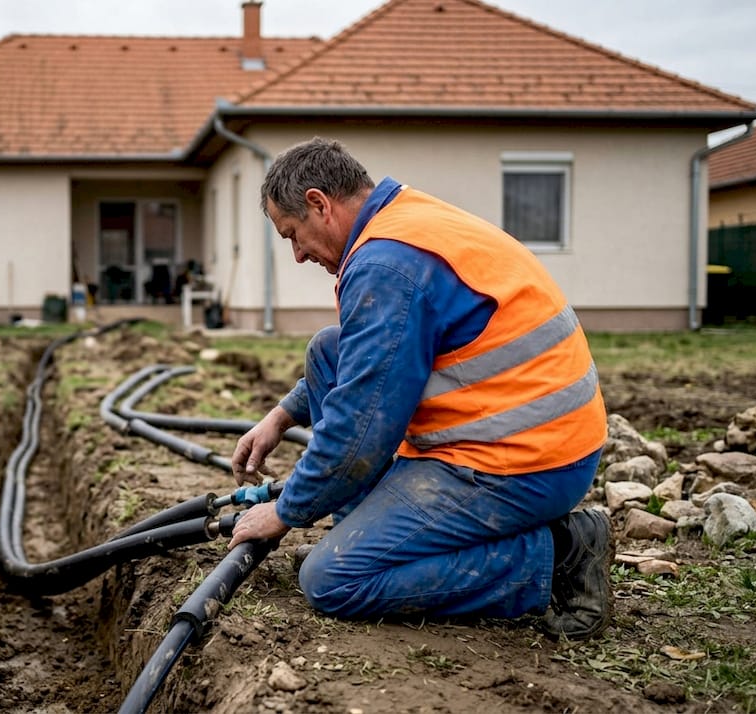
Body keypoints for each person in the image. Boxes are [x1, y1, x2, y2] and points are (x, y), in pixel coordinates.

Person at [226, 137, 611, 640]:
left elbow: (360, 430)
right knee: (329, 350)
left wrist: (283, 512)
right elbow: (371, 359)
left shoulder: (386, 266)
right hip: (525, 433)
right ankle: (363, 534)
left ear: (320, 204)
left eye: (292, 234)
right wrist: (282, 415)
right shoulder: (403, 220)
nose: (297, 255)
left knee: (331, 579)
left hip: (523, 464)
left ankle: (557, 553)